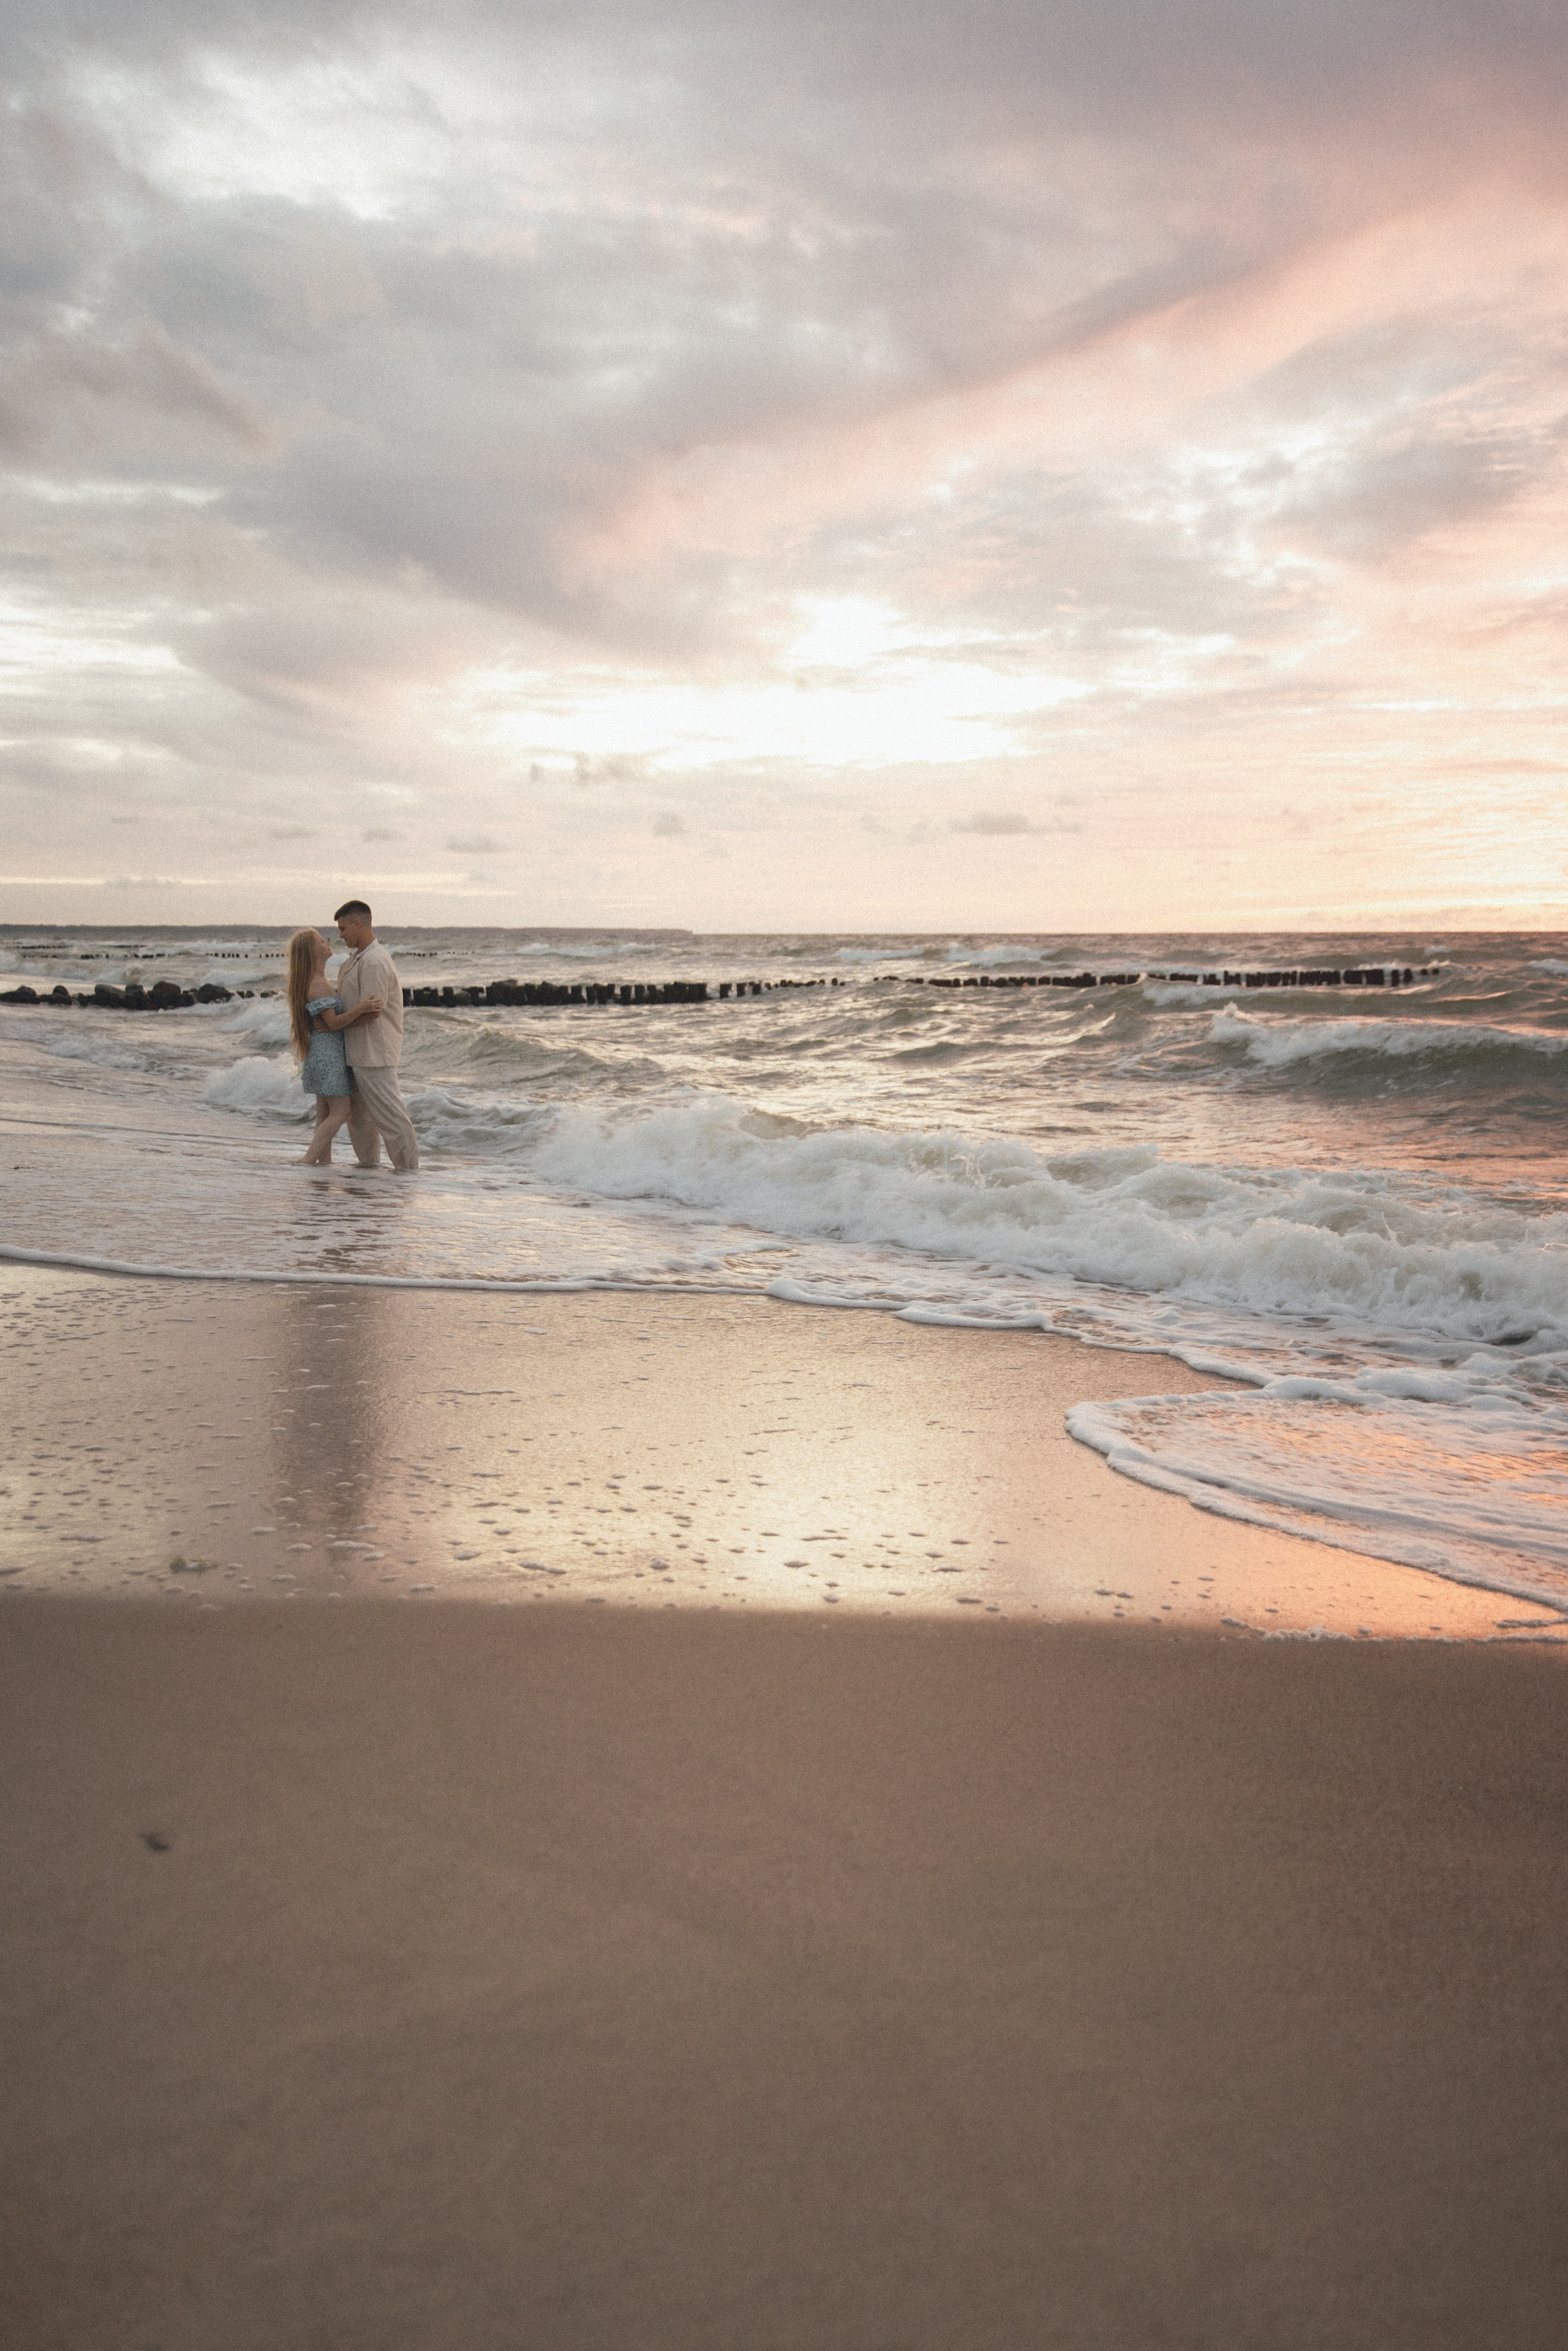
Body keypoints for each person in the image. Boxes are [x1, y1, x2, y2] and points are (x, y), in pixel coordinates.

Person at [285, 929, 384, 1166]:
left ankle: (324, 1164)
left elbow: (329, 1023)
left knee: (325, 1114)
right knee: (341, 1112)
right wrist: (362, 1008)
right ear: (312, 952)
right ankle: (310, 1158)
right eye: (321, 941)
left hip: (321, 1054)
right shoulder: (318, 984)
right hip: (328, 1056)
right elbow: (333, 1024)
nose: (328, 942)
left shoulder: (317, 981)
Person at [334, 898, 420, 1171]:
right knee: (359, 1118)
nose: (341, 935)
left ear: (358, 924)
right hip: (357, 1052)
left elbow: (373, 1011)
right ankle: (369, 1171)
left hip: (375, 1052)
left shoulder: (374, 960)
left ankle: (409, 1173)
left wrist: (335, 1025)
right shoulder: (355, 960)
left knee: (391, 1118)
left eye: (344, 928)